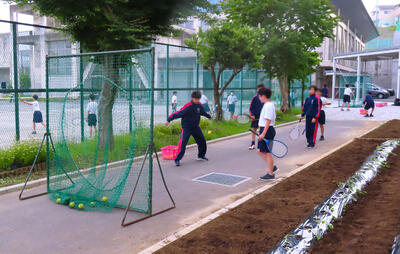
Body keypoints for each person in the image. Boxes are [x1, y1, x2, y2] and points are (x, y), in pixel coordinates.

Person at [166, 91, 212, 166]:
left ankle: (201, 156)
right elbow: (178, 113)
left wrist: (209, 116)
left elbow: (203, 112)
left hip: (195, 127)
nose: (197, 101)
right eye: (196, 99)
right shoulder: (188, 106)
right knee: (183, 143)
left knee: (202, 141)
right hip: (187, 127)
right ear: (192, 98)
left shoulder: (199, 105)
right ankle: (177, 159)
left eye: (198, 99)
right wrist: (169, 119)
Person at [257, 87, 279, 181]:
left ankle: (270, 174)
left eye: (259, 96)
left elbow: (268, 120)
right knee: (260, 150)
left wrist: (263, 133)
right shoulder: (267, 105)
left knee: (267, 152)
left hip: (267, 131)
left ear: (263, 96)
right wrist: (260, 129)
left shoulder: (268, 105)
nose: (259, 97)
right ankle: (272, 167)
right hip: (265, 130)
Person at [248, 84, 265, 150]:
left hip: (263, 117)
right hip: (256, 117)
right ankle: (252, 144)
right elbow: (251, 107)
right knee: (254, 130)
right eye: (259, 89)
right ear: (257, 90)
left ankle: (261, 144)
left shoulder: (265, 98)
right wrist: (252, 115)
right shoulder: (254, 97)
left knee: (261, 130)